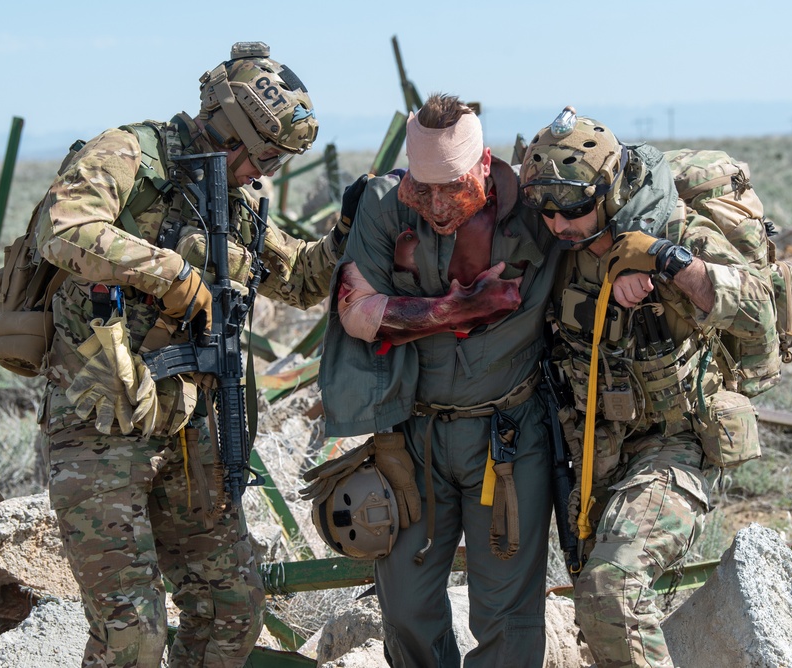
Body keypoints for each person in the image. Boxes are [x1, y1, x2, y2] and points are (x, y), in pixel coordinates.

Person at [34, 42, 348, 667]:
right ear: (232, 129)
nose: (264, 174)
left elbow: (304, 279)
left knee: (232, 607)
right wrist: (171, 273)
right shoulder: (128, 154)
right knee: (133, 633)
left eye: (276, 163)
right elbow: (62, 228)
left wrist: (353, 231)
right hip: (101, 428)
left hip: (187, 429)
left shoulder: (236, 200)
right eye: (261, 156)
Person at [518, 108, 777, 667]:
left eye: (575, 209)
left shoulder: (675, 231)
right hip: (594, 450)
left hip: (675, 440)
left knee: (612, 587)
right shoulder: (556, 250)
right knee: (600, 601)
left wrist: (668, 260)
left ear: (608, 191)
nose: (559, 224)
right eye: (546, 210)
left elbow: (759, 315)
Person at [310, 93, 562, 667]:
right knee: (405, 605)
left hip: (508, 437)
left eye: (453, 187)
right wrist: (456, 310)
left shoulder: (537, 207)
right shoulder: (383, 205)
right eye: (422, 189)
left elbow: (628, 185)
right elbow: (356, 311)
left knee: (506, 612)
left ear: (485, 164)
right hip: (414, 438)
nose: (437, 205)